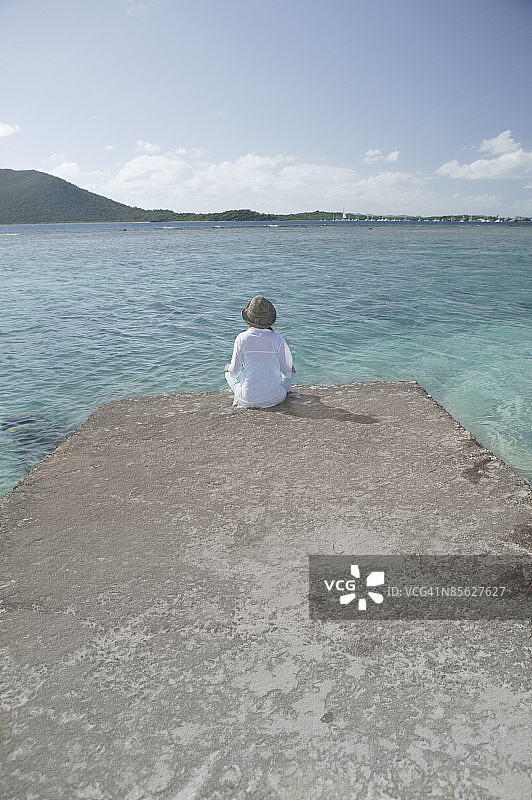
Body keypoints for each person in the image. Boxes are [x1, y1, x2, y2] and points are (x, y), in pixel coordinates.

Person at [224, 295, 295, 408]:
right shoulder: (277, 339)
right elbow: (286, 372)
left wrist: (228, 368)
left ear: (248, 318)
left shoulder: (241, 338)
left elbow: (234, 373)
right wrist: (290, 369)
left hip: (247, 399)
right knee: (290, 372)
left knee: (229, 372)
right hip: (274, 398)